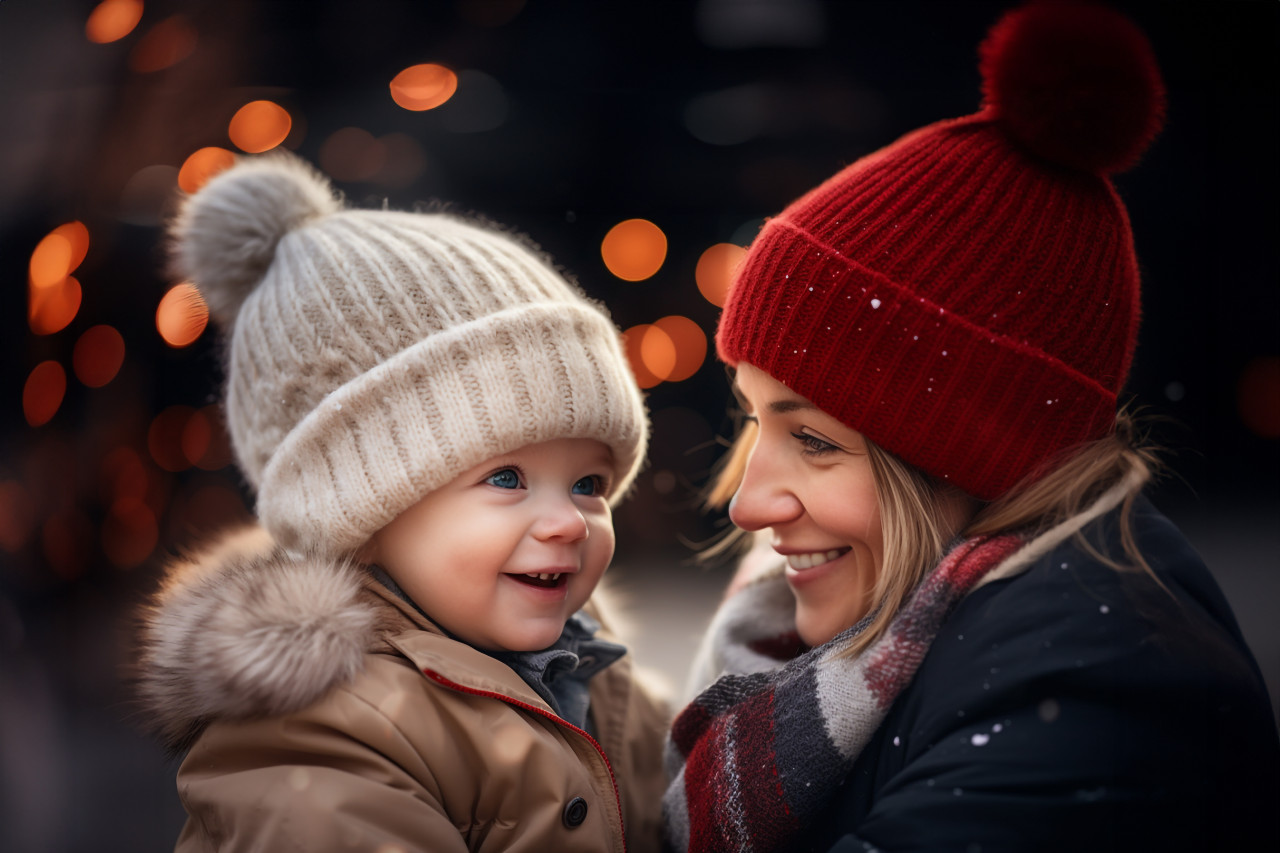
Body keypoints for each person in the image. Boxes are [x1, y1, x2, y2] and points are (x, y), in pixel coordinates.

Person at [662, 3, 1280, 852]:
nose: (746, 503)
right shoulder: (857, 654)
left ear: (974, 452)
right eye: (752, 417)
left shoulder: (1089, 702)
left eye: (814, 439)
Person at [134, 154, 667, 852]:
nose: (569, 521)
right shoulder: (317, 735)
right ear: (361, 515)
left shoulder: (601, 678)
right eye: (507, 478)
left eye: (588, 484)